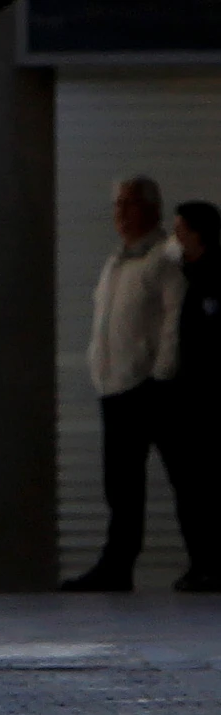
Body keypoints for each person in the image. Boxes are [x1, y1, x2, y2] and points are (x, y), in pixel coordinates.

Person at [63, 176, 195, 592]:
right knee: (120, 486)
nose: (120, 213)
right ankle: (117, 565)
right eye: (117, 204)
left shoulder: (164, 259)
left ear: (153, 209)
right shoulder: (115, 262)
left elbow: (175, 319)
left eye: (130, 204)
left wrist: (163, 374)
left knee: (186, 478)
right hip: (115, 389)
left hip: (152, 389)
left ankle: (206, 561)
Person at [169, 200, 221, 592]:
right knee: (191, 487)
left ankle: (211, 565)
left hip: (209, 402)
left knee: (205, 487)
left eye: (181, 229)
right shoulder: (188, 276)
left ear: (197, 233)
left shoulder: (213, 278)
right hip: (190, 400)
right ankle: (201, 562)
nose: (175, 237)